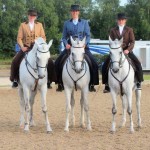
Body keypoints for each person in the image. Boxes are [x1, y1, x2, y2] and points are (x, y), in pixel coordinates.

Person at [55, 4, 99, 92]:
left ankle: (92, 84)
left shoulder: (84, 22)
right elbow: (63, 37)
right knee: (57, 62)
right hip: (70, 46)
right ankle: (60, 83)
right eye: (73, 11)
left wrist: (85, 44)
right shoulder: (66, 23)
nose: (74, 13)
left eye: (76, 11)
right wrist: (65, 44)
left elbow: (88, 35)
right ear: (71, 12)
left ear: (78, 12)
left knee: (93, 63)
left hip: (82, 46)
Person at [10, 9, 56, 88]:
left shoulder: (39, 25)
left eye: (34, 16)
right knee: (15, 60)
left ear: (36, 17)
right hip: (26, 47)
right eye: (31, 15)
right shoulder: (23, 25)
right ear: (28, 16)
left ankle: (49, 80)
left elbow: (43, 37)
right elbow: (19, 38)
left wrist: (41, 45)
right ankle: (15, 79)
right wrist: (22, 47)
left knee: (50, 61)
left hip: (37, 47)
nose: (32, 17)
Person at [102, 13, 144, 93]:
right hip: (116, 51)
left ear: (125, 20)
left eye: (122, 20)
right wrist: (114, 49)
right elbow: (110, 42)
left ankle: (139, 82)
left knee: (137, 63)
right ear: (117, 21)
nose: (121, 21)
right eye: (119, 20)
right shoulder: (113, 30)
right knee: (105, 65)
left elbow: (132, 42)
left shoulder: (129, 30)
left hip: (126, 50)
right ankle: (107, 85)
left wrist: (128, 50)